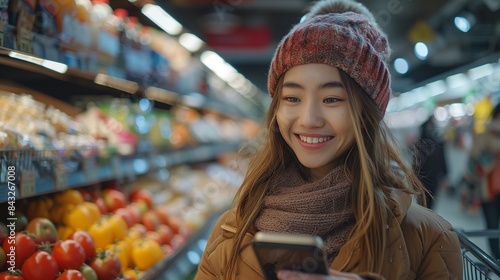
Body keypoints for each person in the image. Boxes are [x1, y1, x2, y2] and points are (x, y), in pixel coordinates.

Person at [195, 0, 462, 279]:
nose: (309, 119)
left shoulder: (428, 239)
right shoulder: (231, 231)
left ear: (367, 114)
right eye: (292, 98)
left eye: (331, 99)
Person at [465, 102, 500, 261]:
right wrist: (493, 156)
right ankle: (497, 261)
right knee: (492, 229)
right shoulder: (484, 135)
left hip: (491, 190)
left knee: (492, 228)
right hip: (489, 190)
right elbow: (473, 165)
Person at [413, 115, 449, 209]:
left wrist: (444, 175)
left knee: (428, 203)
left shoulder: (424, 142)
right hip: (424, 177)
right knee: (424, 202)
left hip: (431, 177)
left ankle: (426, 221)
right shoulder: (424, 142)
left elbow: (442, 159)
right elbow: (415, 162)